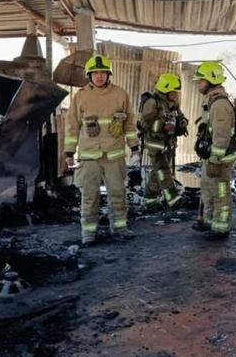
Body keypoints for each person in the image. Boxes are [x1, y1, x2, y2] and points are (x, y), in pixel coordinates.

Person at [64, 54, 140, 245]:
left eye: (103, 73)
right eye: (95, 73)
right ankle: (89, 233)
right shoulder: (80, 97)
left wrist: (135, 148)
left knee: (118, 193)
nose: (99, 76)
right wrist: (69, 152)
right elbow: (72, 126)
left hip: (114, 156)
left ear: (108, 75)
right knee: (89, 196)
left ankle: (120, 228)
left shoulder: (120, 94)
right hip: (89, 157)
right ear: (89, 75)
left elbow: (130, 124)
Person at [192, 61, 236, 240]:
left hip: (220, 160)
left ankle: (221, 228)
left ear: (211, 80)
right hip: (211, 157)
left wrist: (215, 161)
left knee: (220, 193)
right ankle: (210, 222)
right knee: (209, 190)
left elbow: (221, 136)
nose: (198, 84)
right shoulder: (211, 101)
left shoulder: (220, 105)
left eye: (201, 81)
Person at [138, 73, 188, 209]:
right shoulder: (152, 103)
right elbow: (145, 124)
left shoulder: (172, 103)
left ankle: (150, 199)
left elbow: (180, 115)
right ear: (165, 91)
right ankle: (173, 200)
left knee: (157, 173)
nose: (176, 95)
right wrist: (162, 125)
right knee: (163, 171)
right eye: (173, 92)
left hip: (169, 143)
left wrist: (182, 121)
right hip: (155, 144)